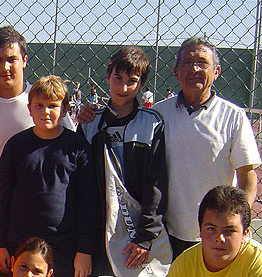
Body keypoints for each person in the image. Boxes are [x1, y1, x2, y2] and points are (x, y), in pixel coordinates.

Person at [79, 37, 261, 259]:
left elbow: (247, 178)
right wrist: (89, 112)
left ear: (216, 71)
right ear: (176, 71)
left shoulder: (234, 117)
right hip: (166, 234)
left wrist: (240, 222)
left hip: (214, 235)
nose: (194, 68)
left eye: (202, 62)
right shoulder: (157, 115)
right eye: (187, 62)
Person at [78, 46, 167, 277]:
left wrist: (145, 237)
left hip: (135, 238)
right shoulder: (89, 123)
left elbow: (156, 186)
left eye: (132, 81)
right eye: (118, 77)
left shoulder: (151, 123)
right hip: (98, 235)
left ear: (141, 85)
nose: (124, 86)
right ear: (108, 76)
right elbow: (80, 185)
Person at [0, 26, 75, 277]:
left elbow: (68, 148)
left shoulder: (43, 100)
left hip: (42, 224)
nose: (5, 66)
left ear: (24, 60)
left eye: (11, 59)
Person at [0, 75, 99, 277]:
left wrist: (84, 250)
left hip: (65, 247)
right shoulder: (16, 145)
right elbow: (1, 198)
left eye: (53, 105)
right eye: (39, 105)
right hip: (20, 243)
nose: (46, 111)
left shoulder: (78, 147)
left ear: (65, 109)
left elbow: (87, 202)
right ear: (29, 109)